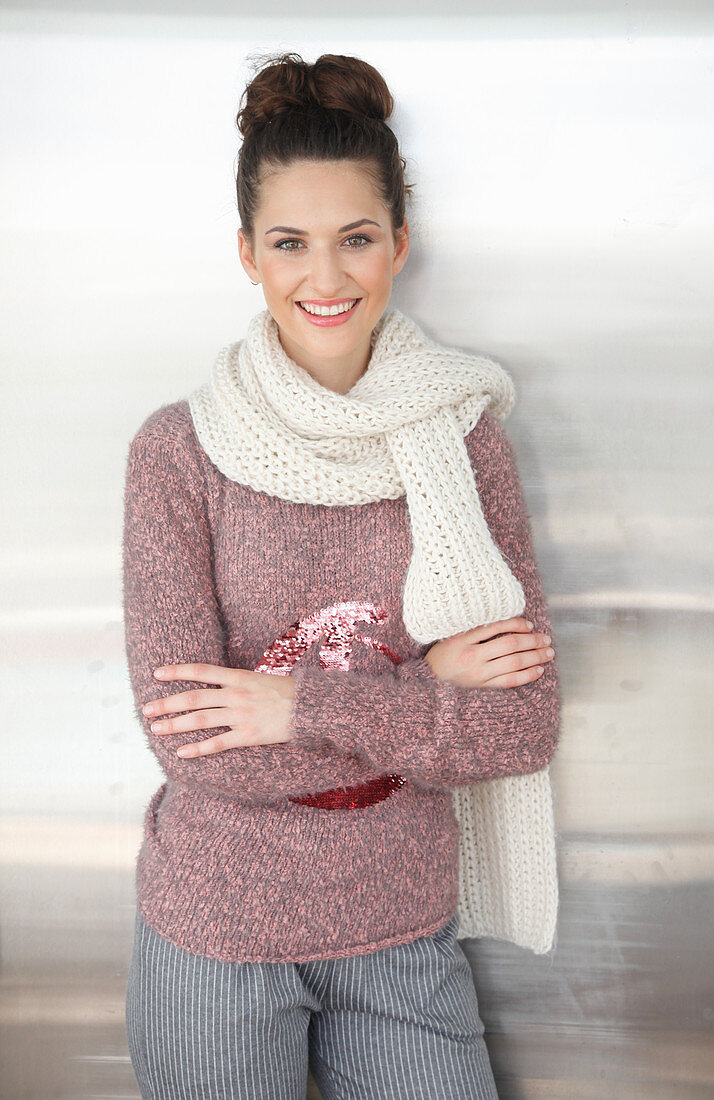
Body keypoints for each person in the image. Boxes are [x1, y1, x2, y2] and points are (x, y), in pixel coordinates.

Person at [122, 50, 561, 1100]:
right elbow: (198, 745)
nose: (326, 278)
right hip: (215, 932)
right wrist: (421, 693)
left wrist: (291, 704)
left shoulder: (464, 438)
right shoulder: (177, 452)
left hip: (403, 924)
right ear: (248, 254)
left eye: (355, 238)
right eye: (291, 243)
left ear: (398, 245)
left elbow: (517, 728)